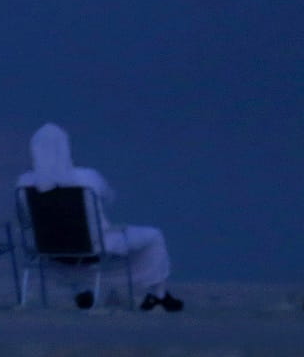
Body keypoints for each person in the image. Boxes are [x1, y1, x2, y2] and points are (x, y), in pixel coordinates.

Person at [16, 123, 182, 311]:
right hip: (94, 245)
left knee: (64, 254)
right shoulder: (86, 177)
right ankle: (158, 295)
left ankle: (80, 290)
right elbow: (109, 197)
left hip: (49, 250)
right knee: (154, 236)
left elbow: (25, 218)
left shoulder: (24, 183)